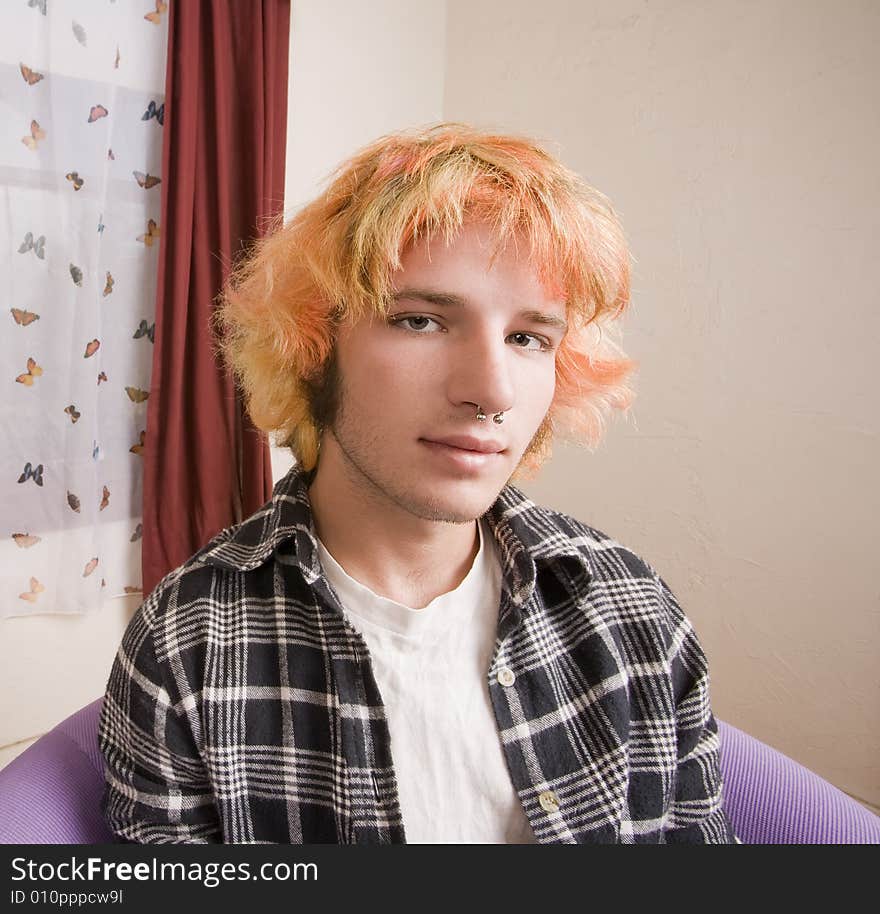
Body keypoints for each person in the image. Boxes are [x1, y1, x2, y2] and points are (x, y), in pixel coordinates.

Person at [98, 123, 735, 844]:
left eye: (529, 338)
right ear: (312, 350)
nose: (491, 390)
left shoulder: (631, 608)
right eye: (422, 320)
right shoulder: (189, 644)